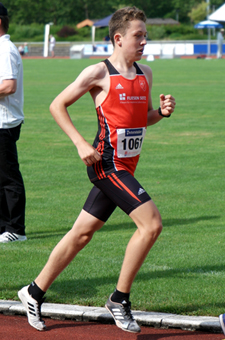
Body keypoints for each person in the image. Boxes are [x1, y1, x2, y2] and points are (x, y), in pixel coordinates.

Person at [18, 6, 176, 333]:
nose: (144, 41)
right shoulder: (98, 73)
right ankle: (119, 298)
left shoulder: (145, 73)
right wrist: (79, 143)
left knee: (82, 234)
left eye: (145, 35)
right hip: (106, 165)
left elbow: (139, 120)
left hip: (126, 166)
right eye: (138, 35)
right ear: (118, 38)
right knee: (151, 225)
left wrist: (160, 113)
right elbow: (57, 104)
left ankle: (33, 292)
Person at [0, 3, 26, 243]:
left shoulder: (5, 49)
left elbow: (8, 86)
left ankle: (16, 229)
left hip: (4, 123)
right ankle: (3, 227)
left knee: (8, 177)